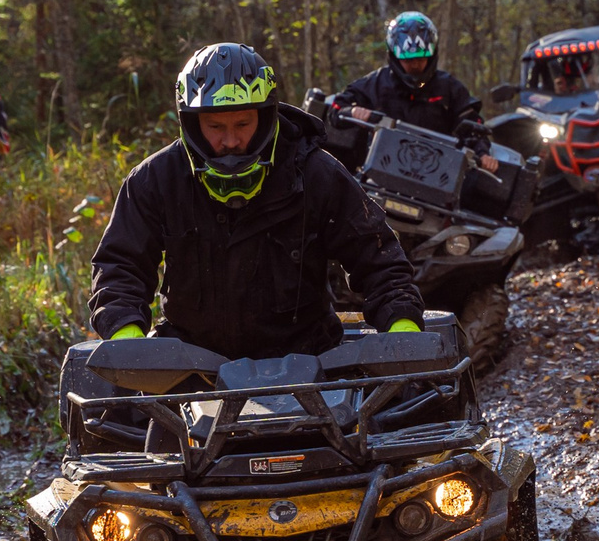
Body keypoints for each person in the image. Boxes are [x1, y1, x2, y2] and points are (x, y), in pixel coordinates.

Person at [91, 43, 425, 360]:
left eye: (242, 123)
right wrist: (126, 337)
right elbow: (120, 264)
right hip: (189, 367)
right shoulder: (155, 180)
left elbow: (379, 257)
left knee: (400, 411)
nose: (231, 140)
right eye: (215, 126)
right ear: (191, 123)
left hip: (310, 361)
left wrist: (402, 326)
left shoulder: (317, 174)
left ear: (266, 117)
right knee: (116, 415)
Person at [328, 11, 497, 168]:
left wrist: (483, 154)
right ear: (395, 56)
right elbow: (336, 109)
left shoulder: (450, 88)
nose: (415, 65)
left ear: (431, 56)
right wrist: (353, 111)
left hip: (438, 176)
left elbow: (474, 127)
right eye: (408, 60)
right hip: (379, 173)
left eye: (420, 59)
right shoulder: (376, 83)